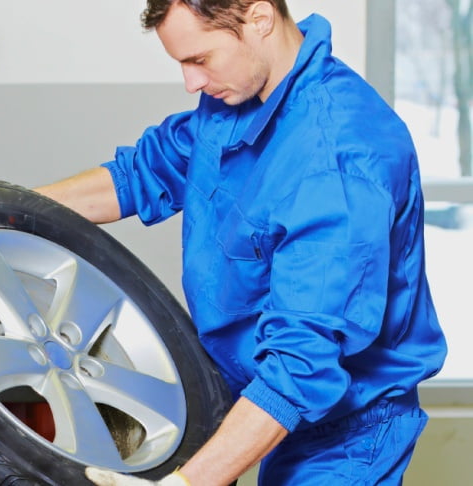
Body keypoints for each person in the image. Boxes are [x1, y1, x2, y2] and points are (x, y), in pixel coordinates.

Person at [34, 1, 448, 485]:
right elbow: (146, 171)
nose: (191, 83)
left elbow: (301, 365)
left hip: (344, 435)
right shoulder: (239, 98)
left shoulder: (336, 156)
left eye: (200, 59)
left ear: (259, 19)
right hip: (251, 392)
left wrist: (187, 484)